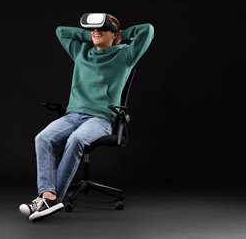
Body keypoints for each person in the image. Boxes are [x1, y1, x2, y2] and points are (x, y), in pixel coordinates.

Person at [19, 13, 155, 222]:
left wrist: (119, 34)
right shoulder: (81, 52)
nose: (95, 32)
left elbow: (148, 30)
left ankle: (52, 200)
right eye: (93, 29)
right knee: (42, 138)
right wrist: (95, 33)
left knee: (76, 139)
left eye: (102, 28)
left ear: (115, 34)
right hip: (73, 115)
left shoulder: (125, 55)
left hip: (100, 119)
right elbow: (60, 31)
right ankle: (47, 195)